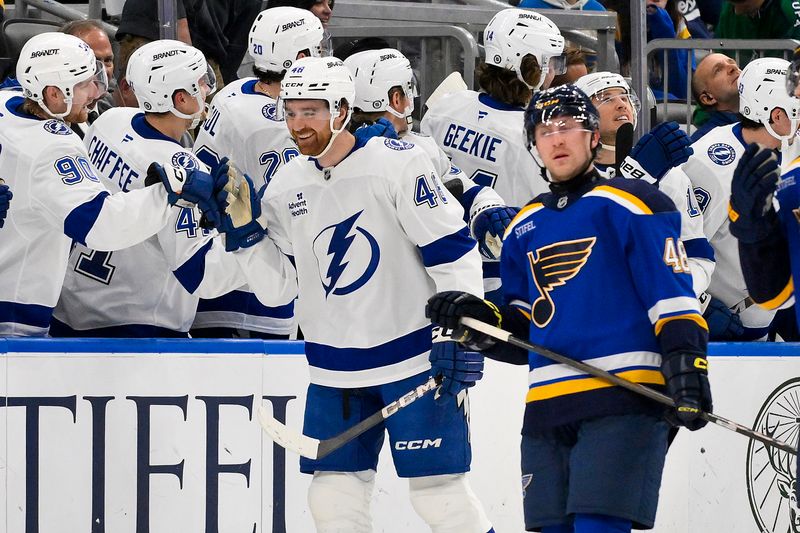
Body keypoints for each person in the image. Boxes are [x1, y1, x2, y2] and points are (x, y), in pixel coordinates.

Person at [215, 56, 494, 532]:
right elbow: (281, 284)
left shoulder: (397, 164)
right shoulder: (286, 184)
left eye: (311, 112)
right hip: (334, 369)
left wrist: (459, 332)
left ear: (342, 109)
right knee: (332, 500)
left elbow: (452, 249)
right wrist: (245, 235)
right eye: (291, 112)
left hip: (412, 360)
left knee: (440, 499)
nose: (298, 125)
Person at [426, 84, 712, 533]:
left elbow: (673, 299)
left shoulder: (637, 202)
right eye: (544, 130)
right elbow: (524, 329)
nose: (556, 138)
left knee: (598, 527)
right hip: (546, 409)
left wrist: (688, 368)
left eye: (568, 127)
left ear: (593, 136)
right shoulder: (524, 226)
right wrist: (478, 321)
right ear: (533, 145)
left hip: (624, 397)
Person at [0, 32, 218, 336]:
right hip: (16, 312)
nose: (96, 91)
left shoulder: (7, 103)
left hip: (69, 306)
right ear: (52, 94)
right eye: (83, 84)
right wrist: (171, 190)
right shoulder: (53, 146)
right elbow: (99, 224)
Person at [190, 6, 325, 338]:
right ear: (301, 55)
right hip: (262, 274)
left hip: (218, 262)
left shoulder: (232, 94)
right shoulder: (297, 118)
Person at [343, 47, 517, 302]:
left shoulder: (420, 144)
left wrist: (486, 209)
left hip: (406, 286)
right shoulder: (346, 154)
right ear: (395, 98)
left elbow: (463, 187)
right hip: (377, 286)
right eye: (407, 89)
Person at [675, 57, 800, 340]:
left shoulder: (792, 149)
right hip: (728, 330)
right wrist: (702, 306)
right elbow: (678, 247)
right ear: (776, 116)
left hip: (779, 310)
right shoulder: (709, 163)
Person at [574, 72, 715, 302]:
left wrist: (672, 293)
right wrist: (636, 179)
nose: (621, 103)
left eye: (625, 97)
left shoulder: (670, 175)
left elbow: (697, 256)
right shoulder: (567, 174)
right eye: (605, 98)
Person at [421, 8, 565, 209]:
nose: (552, 72)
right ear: (528, 65)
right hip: (504, 236)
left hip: (445, 234)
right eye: (549, 62)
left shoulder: (445, 105)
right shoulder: (536, 137)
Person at [690, 53, 741, 141]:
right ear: (708, 98)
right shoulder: (703, 141)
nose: (732, 67)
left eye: (732, 62)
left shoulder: (769, 117)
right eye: (718, 70)